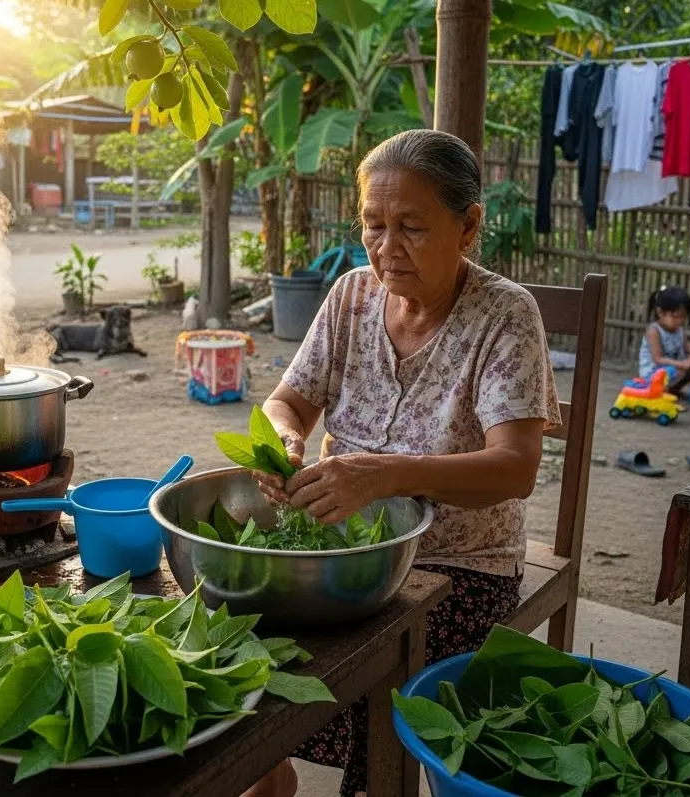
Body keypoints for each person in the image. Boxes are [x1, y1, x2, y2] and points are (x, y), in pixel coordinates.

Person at [244, 129, 561, 797]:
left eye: (411, 227)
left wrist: (386, 473)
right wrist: (285, 442)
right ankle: (266, 774)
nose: (386, 248)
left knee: (369, 665)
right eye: (373, 224)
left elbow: (514, 467)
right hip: (340, 547)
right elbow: (287, 401)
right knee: (235, 621)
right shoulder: (352, 296)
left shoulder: (504, 314)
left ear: (468, 225)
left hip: (458, 564)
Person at [638, 284, 690, 396]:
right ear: (660, 313)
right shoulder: (654, 331)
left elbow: (689, 348)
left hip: (671, 370)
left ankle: (671, 390)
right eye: (676, 316)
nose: (680, 321)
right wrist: (682, 364)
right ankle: (660, 390)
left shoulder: (679, 330)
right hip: (653, 374)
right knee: (683, 369)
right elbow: (658, 359)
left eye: (684, 317)